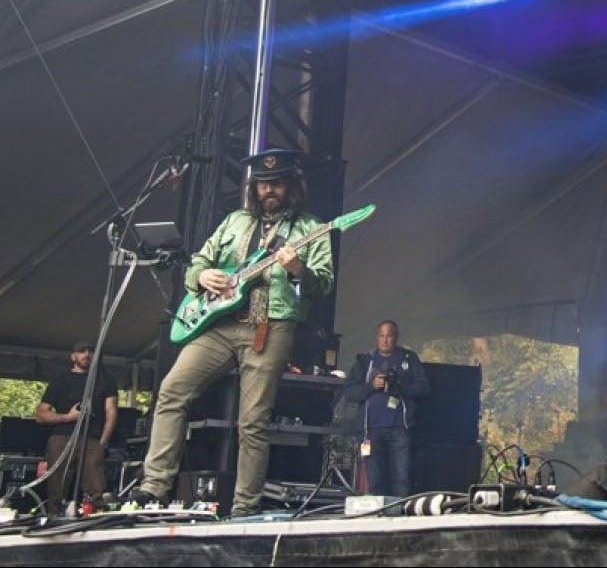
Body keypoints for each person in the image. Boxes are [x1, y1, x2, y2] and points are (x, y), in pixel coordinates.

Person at [129, 148, 334, 515]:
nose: (269, 190)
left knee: (252, 420)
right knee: (172, 391)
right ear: (253, 188)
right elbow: (198, 265)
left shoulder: (311, 229)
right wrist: (201, 276)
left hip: (269, 327)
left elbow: (323, 285)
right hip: (219, 324)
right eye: (263, 184)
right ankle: (154, 487)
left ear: (292, 186)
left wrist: (297, 268)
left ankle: (244, 506)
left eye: (278, 183)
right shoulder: (234, 221)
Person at [343, 320, 430, 497]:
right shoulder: (365, 361)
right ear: (377, 338)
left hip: (400, 428)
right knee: (375, 480)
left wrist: (401, 388)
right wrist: (371, 386)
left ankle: (401, 520)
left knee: (401, 479)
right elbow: (349, 392)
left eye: (389, 335)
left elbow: (424, 387)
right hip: (370, 430)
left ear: (396, 337)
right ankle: (378, 519)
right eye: (382, 336)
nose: (385, 340)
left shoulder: (408, 358)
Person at [35, 341, 117, 513]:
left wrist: (103, 441)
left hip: (92, 439)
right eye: (81, 351)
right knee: (56, 487)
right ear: (73, 356)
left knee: (96, 489)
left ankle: (96, 524)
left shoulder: (106, 380)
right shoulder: (61, 379)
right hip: (62, 437)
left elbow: (111, 412)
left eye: (91, 351)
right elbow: (41, 414)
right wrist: (68, 417)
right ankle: (53, 521)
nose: (87, 354)